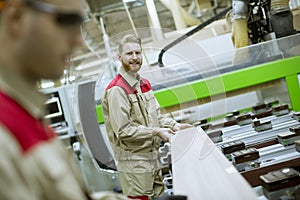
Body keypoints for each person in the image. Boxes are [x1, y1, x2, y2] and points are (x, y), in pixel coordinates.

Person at [0, 0, 126, 199]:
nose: (80, 41)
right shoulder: (5, 131)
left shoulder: (25, 112)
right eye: (68, 21)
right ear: (16, 19)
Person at [101, 34, 192, 200]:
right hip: (134, 165)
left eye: (138, 52)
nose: (134, 58)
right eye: (129, 54)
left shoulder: (143, 84)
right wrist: (156, 132)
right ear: (119, 57)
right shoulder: (117, 90)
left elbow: (157, 115)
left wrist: (174, 126)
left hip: (153, 158)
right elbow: (124, 130)